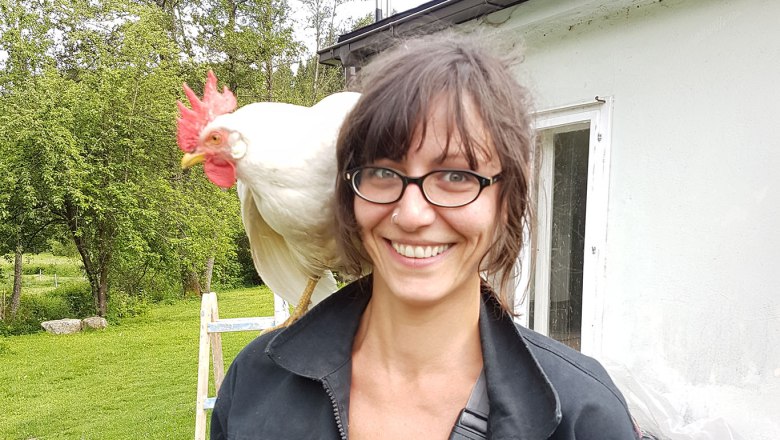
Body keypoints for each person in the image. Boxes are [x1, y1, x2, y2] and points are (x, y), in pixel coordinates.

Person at [211, 32, 640, 439]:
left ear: (506, 199)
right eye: (382, 172)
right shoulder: (254, 386)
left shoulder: (584, 416)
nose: (411, 214)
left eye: (455, 175)